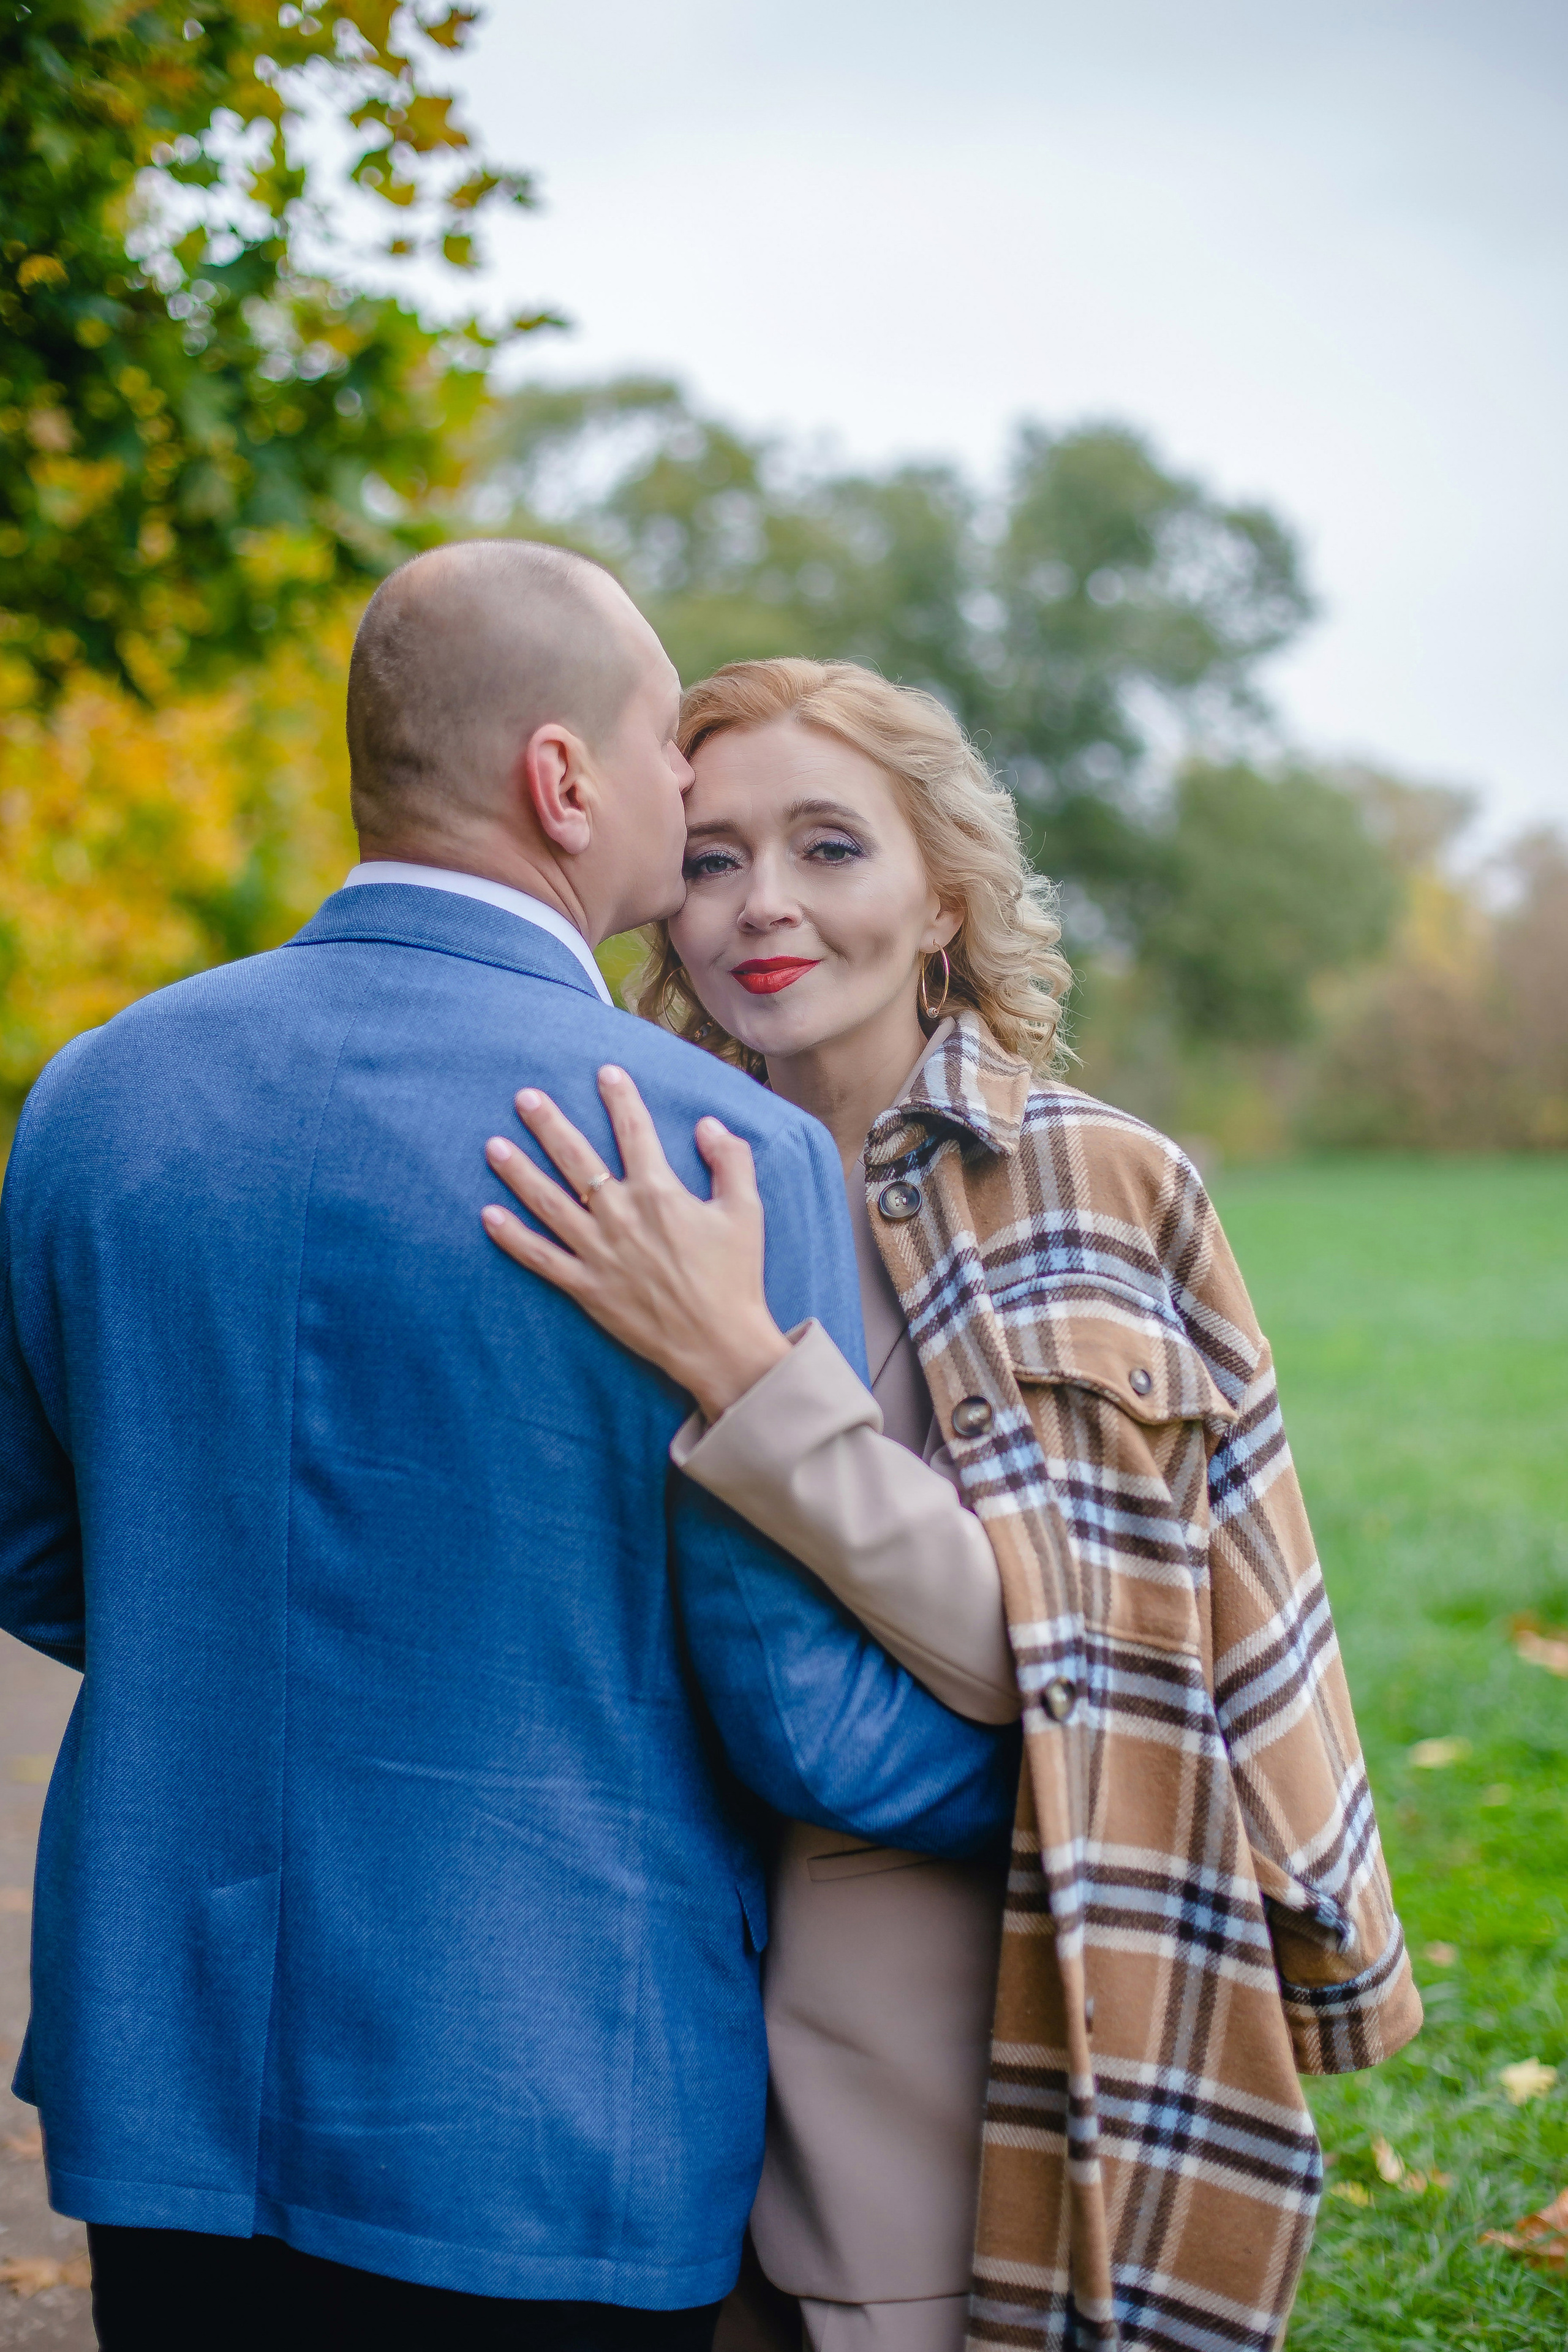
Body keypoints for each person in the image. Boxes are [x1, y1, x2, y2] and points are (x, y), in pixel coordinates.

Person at [0, 554, 1022, 2351]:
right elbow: (793, 1712)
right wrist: (1054, 1761)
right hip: (553, 2098)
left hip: (165, 2066)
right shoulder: (706, 1149)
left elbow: (32, 1549)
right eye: (661, 753)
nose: (682, 797)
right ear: (563, 783)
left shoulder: (94, 1091)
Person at [479, 658, 1423, 2352]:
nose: (762, 903)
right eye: (708, 857)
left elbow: (1061, 1659)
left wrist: (754, 1375)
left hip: (939, 2026)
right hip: (606, 2005)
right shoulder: (625, 1177)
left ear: (941, 901)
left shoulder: (1102, 1185)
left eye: (830, 848)